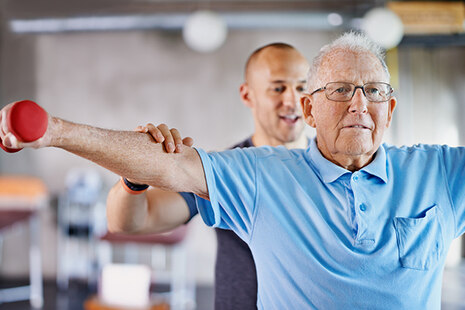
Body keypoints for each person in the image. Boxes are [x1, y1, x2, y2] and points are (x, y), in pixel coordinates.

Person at [1, 31, 463, 309]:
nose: (359, 104)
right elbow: (139, 204)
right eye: (341, 90)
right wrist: (55, 131)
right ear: (311, 107)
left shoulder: (434, 172)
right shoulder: (254, 172)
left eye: (373, 91)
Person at [107, 42, 309, 309]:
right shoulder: (223, 170)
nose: (293, 100)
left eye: (302, 87)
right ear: (247, 95)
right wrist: (135, 176)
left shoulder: (331, 167)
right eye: (278, 88)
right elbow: (130, 221)